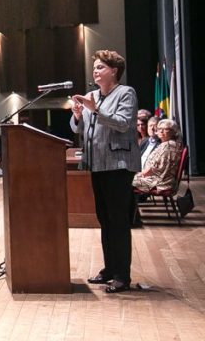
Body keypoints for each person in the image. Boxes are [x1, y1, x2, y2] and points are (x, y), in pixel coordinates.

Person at [70, 50, 141, 294]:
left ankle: (122, 275)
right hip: (97, 164)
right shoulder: (92, 96)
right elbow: (81, 130)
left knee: (118, 221)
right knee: (104, 219)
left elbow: (122, 123)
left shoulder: (125, 93)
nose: (95, 71)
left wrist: (97, 110)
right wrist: (79, 116)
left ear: (114, 71)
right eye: (95, 67)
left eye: (101, 67)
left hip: (118, 165)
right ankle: (109, 269)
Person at [132, 119, 184, 192]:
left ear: (174, 132)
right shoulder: (165, 144)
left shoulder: (169, 146)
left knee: (124, 181)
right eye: (159, 129)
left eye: (165, 129)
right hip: (155, 178)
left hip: (159, 181)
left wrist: (140, 174)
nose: (161, 131)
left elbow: (156, 169)